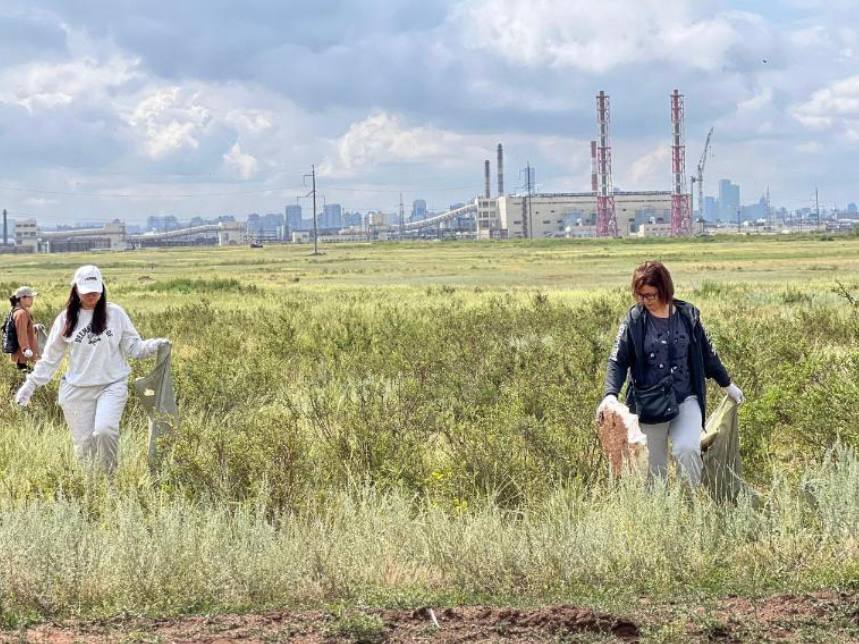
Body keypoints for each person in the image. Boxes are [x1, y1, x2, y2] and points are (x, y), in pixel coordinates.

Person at [597, 261, 744, 486]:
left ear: (664, 290)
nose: (644, 301)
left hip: (686, 398)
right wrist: (610, 395)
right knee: (654, 472)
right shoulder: (634, 321)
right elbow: (617, 361)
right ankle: (662, 516)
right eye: (640, 296)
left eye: (650, 295)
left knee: (687, 449)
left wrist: (728, 385)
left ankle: (691, 505)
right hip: (649, 405)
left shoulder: (688, 317)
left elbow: (708, 355)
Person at [14, 265, 170, 472]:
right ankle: (91, 491)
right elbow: (51, 359)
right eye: (86, 291)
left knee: (105, 431)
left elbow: (134, 348)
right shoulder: (66, 319)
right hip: (76, 391)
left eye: (95, 290)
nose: (92, 295)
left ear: (102, 288)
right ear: (76, 290)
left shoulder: (115, 314)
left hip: (111, 385)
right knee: (85, 447)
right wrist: (30, 385)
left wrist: (155, 345)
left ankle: (110, 482)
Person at [7, 286, 40, 372]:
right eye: (30, 297)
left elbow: (22, 329)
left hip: (22, 356)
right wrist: (25, 349)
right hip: (23, 357)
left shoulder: (20, 311)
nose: (32, 299)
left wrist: (33, 328)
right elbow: (21, 333)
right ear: (22, 298)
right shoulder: (21, 313)